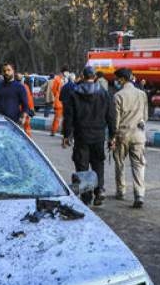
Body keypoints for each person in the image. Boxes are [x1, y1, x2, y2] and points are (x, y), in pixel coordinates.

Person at [62, 66, 115, 206]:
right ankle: (99, 191)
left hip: (81, 136)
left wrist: (67, 135)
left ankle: (86, 197)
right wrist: (112, 136)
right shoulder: (104, 93)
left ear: (83, 76)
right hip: (98, 135)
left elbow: (69, 117)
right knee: (98, 164)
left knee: (82, 165)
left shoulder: (74, 93)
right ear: (95, 77)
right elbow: (111, 116)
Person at [112, 67, 148, 208]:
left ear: (122, 79)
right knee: (138, 165)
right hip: (139, 135)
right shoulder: (142, 94)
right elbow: (145, 116)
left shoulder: (118, 96)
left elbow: (115, 120)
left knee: (120, 163)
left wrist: (112, 137)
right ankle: (139, 194)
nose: (116, 82)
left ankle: (121, 190)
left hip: (122, 135)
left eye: (117, 79)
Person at [50, 67, 67, 136]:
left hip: (64, 101)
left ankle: (62, 131)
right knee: (57, 118)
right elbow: (54, 90)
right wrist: (57, 96)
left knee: (64, 118)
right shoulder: (57, 79)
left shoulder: (64, 79)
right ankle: (54, 131)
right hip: (59, 102)